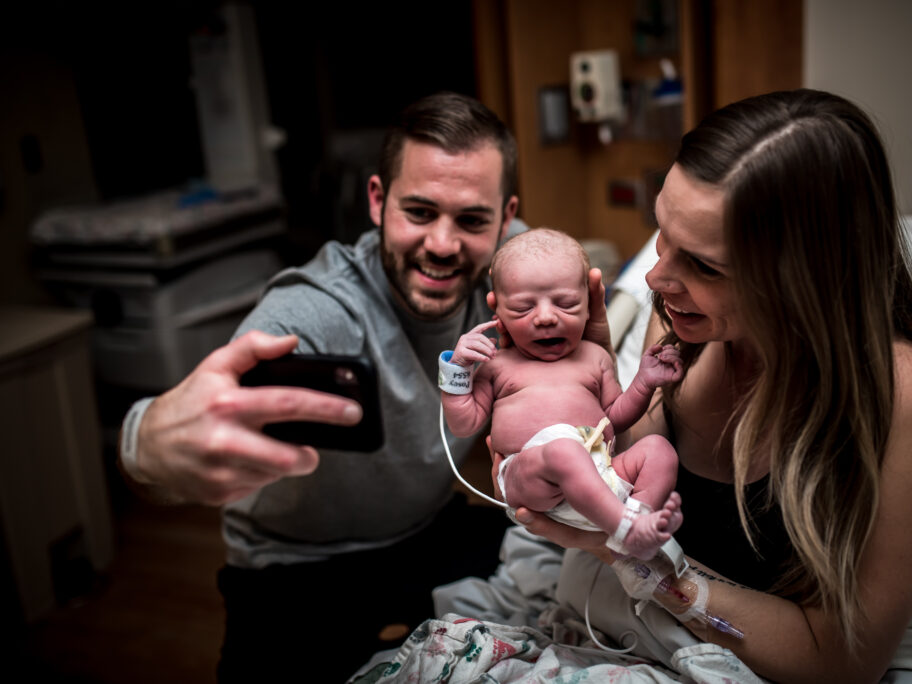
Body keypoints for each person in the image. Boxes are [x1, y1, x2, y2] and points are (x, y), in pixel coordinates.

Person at [115, 92, 611, 680]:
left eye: (471, 220)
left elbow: (597, 289)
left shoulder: (514, 273)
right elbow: (180, 432)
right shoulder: (318, 310)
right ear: (378, 201)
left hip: (432, 528)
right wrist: (147, 447)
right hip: (298, 565)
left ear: (505, 218)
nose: (444, 244)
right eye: (420, 212)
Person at [512, 89, 912, 682]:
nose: (657, 276)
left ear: (808, 277)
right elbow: (628, 480)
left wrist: (636, 561)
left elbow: (841, 659)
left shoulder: (905, 397)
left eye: (704, 265)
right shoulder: (683, 324)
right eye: (662, 232)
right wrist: (594, 388)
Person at [439, 228, 684, 560]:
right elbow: (463, 425)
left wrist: (644, 382)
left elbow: (615, 418)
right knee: (564, 453)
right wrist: (458, 369)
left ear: (589, 306)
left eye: (566, 304)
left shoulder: (594, 358)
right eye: (524, 308)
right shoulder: (498, 365)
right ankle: (625, 527)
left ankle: (640, 520)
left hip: (603, 475)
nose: (545, 317)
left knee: (659, 450)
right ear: (499, 316)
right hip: (531, 477)